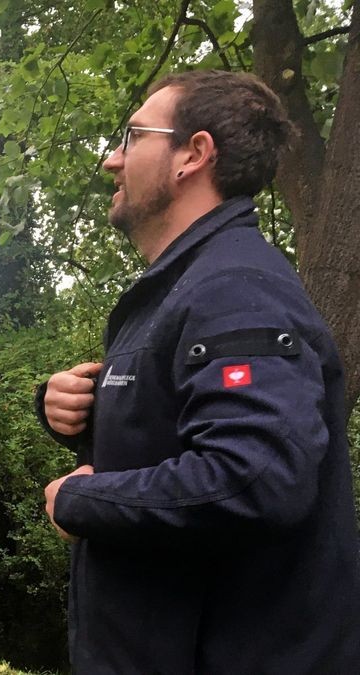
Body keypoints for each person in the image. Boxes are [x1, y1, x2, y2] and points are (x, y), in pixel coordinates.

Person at [37, 69, 360, 672]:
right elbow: (171, 424)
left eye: (132, 137)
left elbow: (253, 477)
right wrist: (70, 405)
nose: (112, 159)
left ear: (194, 154)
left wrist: (81, 500)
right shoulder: (187, 286)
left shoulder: (237, 288)